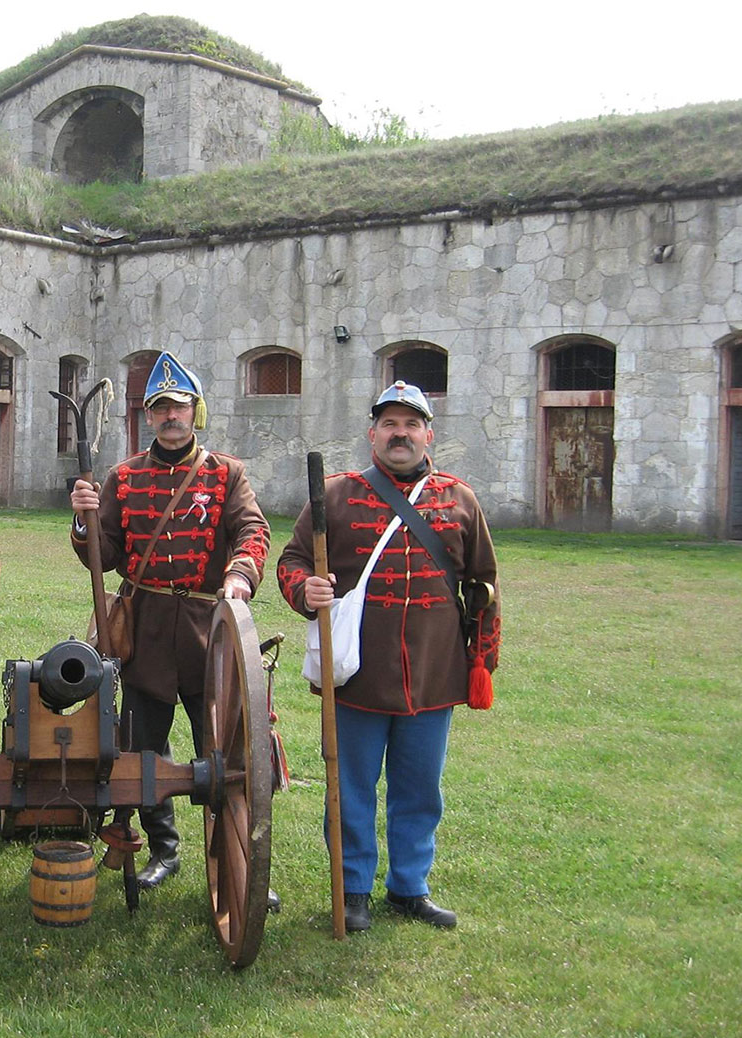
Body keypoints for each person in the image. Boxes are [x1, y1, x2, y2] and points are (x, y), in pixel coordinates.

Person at [277, 380, 501, 932]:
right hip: (357, 673)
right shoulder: (335, 495)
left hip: (433, 673)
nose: (400, 434)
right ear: (372, 433)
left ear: (429, 434)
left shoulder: (460, 499)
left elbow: (485, 585)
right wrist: (305, 590)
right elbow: (291, 562)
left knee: (420, 787)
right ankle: (352, 888)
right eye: (389, 424)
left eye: (411, 424)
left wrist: (480, 665)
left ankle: (409, 887)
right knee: (350, 786)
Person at [69, 352, 271, 891]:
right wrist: (84, 522)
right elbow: (104, 553)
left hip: (210, 624)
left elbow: (252, 530)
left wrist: (239, 577)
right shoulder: (124, 477)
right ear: (148, 416)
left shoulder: (227, 474)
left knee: (227, 750)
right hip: (148, 626)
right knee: (141, 748)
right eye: (158, 408)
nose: (169, 417)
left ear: (195, 410)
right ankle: (164, 848)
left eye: (177, 406)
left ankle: (239, 855)